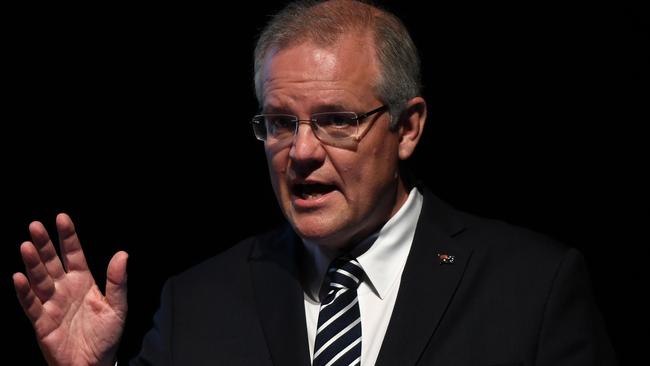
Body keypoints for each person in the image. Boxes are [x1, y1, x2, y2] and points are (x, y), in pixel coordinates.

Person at [13, 0, 617, 365]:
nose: (300, 152)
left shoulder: (532, 288)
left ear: (407, 128)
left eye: (335, 121)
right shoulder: (197, 303)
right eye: (279, 124)